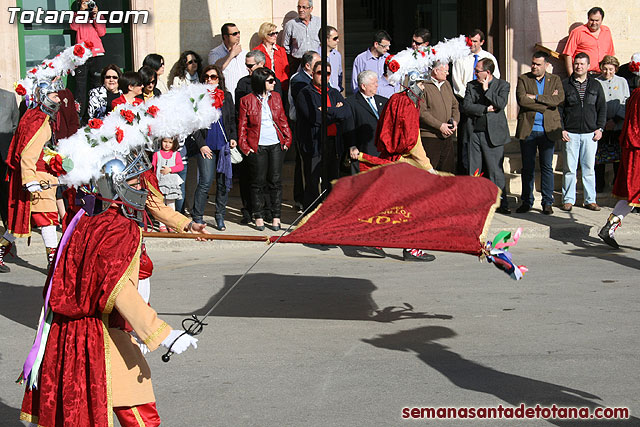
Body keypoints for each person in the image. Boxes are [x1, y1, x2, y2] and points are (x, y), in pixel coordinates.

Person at [19, 155, 198, 426]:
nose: (142, 188)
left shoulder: (81, 220)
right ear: (117, 186)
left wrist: (184, 225)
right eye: (135, 182)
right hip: (101, 336)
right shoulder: (120, 228)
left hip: (71, 335)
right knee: (140, 413)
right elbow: (117, 289)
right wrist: (163, 333)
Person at [371, 71, 437, 262]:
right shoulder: (407, 104)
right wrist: (427, 166)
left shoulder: (396, 99)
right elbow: (412, 141)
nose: (424, 88)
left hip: (391, 160)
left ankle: (376, 239)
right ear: (414, 84)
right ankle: (411, 248)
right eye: (422, 84)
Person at [1, 82, 63, 271]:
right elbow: (28, 153)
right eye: (54, 96)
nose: (58, 99)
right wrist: (29, 179)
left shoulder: (39, 117)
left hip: (41, 175)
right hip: (37, 176)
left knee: (20, 221)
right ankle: (53, 263)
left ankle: (1, 251)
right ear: (44, 96)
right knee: (48, 219)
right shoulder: (37, 120)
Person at [238, 68, 292, 231]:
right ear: (261, 82)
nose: (274, 83)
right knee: (257, 182)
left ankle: (276, 216)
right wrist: (246, 148)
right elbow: (242, 127)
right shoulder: (246, 100)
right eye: (270, 80)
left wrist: (287, 139)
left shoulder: (275, 97)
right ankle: (259, 215)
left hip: (275, 144)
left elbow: (282, 118)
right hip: (257, 146)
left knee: (275, 181)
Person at [514, 51, 564, 215]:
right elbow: (522, 100)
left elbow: (558, 100)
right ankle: (527, 201)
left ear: (546, 65)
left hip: (547, 130)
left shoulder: (555, 80)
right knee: (527, 167)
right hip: (528, 130)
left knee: (546, 167)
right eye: (533, 63)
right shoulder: (524, 78)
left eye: (538, 64)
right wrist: (546, 102)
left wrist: (535, 97)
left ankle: (547, 202)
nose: (534, 66)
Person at [296, 62, 351, 209]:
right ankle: (310, 214)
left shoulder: (334, 92)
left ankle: (330, 213)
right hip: (314, 143)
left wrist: (326, 110)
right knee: (312, 182)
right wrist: (335, 111)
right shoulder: (305, 93)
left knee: (332, 180)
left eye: (327, 73)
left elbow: (346, 112)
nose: (323, 76)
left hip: (333, 142)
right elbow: (315, 118)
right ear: (313, 74)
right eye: (320, 73)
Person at [462, 58, 512, 214]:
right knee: (474, 170)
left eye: (478, 71)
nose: (475, 73)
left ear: (487, 72)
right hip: (475, 133)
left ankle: (500, 203)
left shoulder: (503, 85)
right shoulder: (471, 85)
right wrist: (485, 109)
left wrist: (486, 90)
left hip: (494, 134)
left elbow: (500, 104)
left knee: (495, 171)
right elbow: (467, 106)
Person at [559, 52, 607, 212]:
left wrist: (600, 128)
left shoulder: (595, 85)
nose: (578, 66)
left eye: (582, 64)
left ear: (588, 66)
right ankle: (568, 200)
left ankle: (590, 200)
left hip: (590, 134)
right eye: (576, 63)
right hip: (570, 133)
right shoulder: (565, 84)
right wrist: (562, 128)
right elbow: (559, 109)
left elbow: (602, 108)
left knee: (588, 168)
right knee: (569, 169)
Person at [192, 65, 237, 231]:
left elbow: (232, 119)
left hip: (223, 145)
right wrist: (201, 144)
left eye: (213, 77)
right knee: (205, 182)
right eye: (207, 77)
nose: (209, 80)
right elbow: (194, 125)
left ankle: (220, 216)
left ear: (219, 79)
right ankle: (197, 217)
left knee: (223, 183)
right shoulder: (198, 97)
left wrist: (233, 138)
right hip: (206, 146)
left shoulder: (226, 96)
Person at [452, 29, 500, 174]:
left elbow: (495, 80)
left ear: (482, 42)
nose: (471, 44)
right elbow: (457, 83)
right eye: (469, 41)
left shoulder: (489, 57)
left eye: (475, 41)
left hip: (486, 105)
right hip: (467, 106)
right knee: (466, 145)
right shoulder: (460, 58)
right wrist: (470, 98)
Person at [598, 85, 640, 248]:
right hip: (637, 148)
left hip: (633, 148)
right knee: (633, 193)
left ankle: (609, 227)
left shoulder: (636, 92)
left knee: (632, 195)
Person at [289, 50, 321, 211]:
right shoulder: (299, 80)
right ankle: (302, 199)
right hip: (303, 125)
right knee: (303, 164)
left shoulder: (317, 78)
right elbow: (305, 105)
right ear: (308, 66)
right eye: (317, 64)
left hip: (317, 127)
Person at [595, 55, 629, 192]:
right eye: (604, 69)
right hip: (601, 126)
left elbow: (625, 101)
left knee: (617, 158)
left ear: (615, 69)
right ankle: (599, 184)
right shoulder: (596, 81)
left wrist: (615, 120)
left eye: (610, 69)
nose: (607, 72)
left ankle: (617, 184)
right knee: (599, 158)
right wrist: (602, 123)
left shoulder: (622, 82)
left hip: (617, 125)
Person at [419, 61, 459, 174]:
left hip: (447, 136)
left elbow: (455, 105)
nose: (448, 73)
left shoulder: (446, 84)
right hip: (430, 136)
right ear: (436, 71)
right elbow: (422, 112)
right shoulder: (423, 85)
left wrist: (455, 121)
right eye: (445, 71)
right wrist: (439, 126)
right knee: (430, 173)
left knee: (448, 172)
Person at [344, 71, 388, 175]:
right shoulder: (351, 103)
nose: (377, 85)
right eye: (374, 83)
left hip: (382, 149)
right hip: (364, 151)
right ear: (363, 86)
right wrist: (352, 145)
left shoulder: (384, 101)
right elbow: (350, 125)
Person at [70, 0, 106, 119]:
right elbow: (73, 27)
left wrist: (95, 15)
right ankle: (79, 117)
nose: (88, 5)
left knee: (96, 87)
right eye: (85, 2)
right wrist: (81, 11)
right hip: (81, 55)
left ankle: (96, 116)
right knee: (80, 88)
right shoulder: (76, 15)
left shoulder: (97, 14)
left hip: (97, 53)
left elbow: (102, 32)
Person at [562, 7, 615, 75]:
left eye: (597, 20)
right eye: (591, 20)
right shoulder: (577, 32)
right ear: (588, 19)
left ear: (602, 20)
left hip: (603, 74)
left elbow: (610, 54)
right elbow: (568, 55)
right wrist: (571, 76)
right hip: (584, 74)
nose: (594, 23)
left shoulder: (606, 31)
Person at [0, 76, 19, 241]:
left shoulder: (9, 97)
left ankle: (6, 243)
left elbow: (15, 125)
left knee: (5, 197)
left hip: (4, 157)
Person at [209, 23, 248, 101]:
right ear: (225, 37)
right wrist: (231, 54)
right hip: (228, 99)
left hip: (244, 98)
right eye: (234, 34)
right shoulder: (215, 53)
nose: (238, 36)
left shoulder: (244, 53)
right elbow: (215, 71)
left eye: (238, 32)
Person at [152, 137, 184, 232]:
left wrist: (170, 169)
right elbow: (153, 168)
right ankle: (161, 224)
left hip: (171, 184)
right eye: (165, 141)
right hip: (159, 182)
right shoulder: (156, 154)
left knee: (170, 204)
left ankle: (171, 223)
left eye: (170, 142)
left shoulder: (176, 154)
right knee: (160, 204)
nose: (167, 144)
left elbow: (180, 166)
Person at [283, 0, 321, 75]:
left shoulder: (319, 23)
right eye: (299, 7)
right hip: (297, 64)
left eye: (304, 7)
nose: (301, 10)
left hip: (317, 64)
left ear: (311, 9)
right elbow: (285, 47)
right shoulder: (291, 25)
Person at [254, 22, 290, 94]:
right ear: (264, 35)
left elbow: (286, 69)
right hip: (264, 87)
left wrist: (281, 84)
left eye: (276, 33)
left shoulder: (281, 50)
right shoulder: (257, 51)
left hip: (280, 86)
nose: (275, 36)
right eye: (272, 34)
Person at [351, 30, 391, 94]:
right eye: (385, 46)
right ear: (376, 44)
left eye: (389, 45)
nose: (388, 48)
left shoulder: (389, 58)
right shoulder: (361, 59)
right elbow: (355, 84)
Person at [323, 25, 343, 92]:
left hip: (335, 93)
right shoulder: (315, 56)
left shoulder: (337, 55)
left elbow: (339, 74)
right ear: (326, 39)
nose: (338, 40)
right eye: (335, 38)